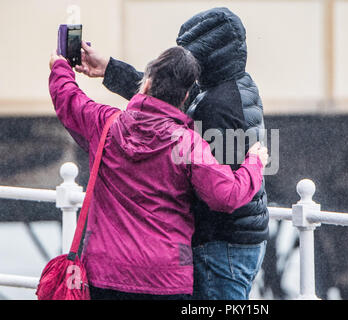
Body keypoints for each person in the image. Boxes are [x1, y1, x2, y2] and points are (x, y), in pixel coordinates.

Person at [76, 7, 269, 300]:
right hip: (239, 239)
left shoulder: (216, 106)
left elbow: (222, 194)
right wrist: (111, 69)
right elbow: (168, 98)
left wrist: (254, 164)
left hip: (221, 244)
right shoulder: (232, 85)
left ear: (204, 57)